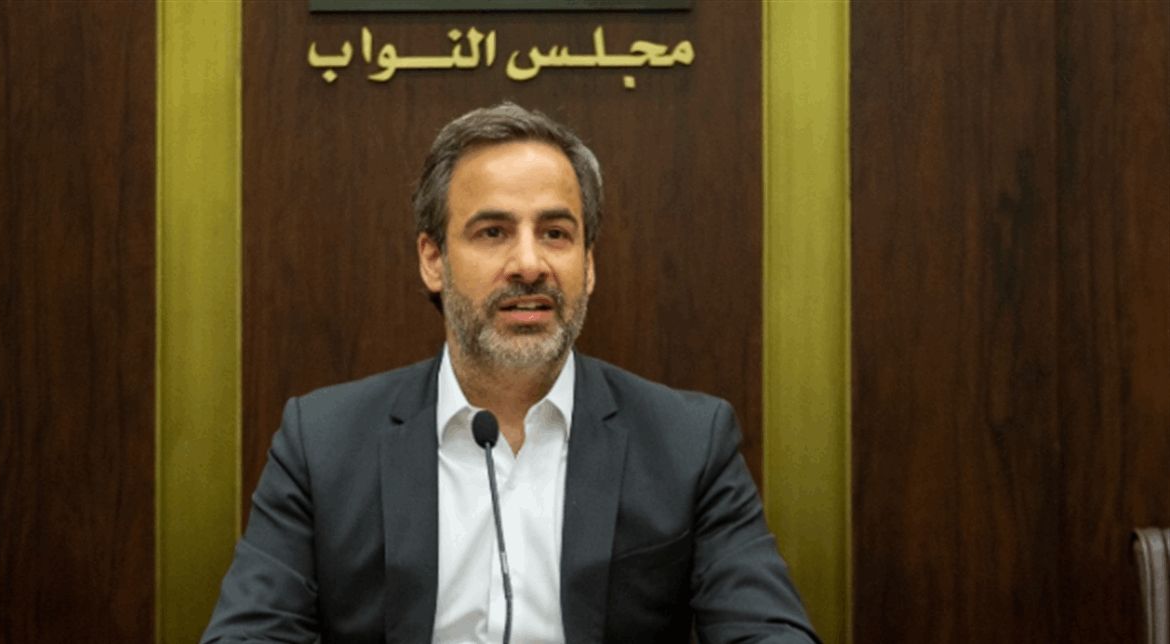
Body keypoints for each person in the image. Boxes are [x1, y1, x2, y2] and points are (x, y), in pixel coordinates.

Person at [201, 103, 819, 643]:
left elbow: (769, 630)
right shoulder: (323, 443)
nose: (529, 263)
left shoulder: (688, 443)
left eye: (555, 233)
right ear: (433, 259)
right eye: (493, 232)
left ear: (589, 264)